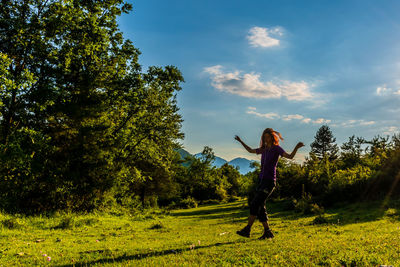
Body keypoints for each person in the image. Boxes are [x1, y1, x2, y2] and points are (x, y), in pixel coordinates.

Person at [234, 128, 304, 239]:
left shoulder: (277, 149)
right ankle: (267, 232)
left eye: (268, 137)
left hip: (270, 181)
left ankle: (247, 229)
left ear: (272, 137)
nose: (266, 139)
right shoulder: (264, 149)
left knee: (254, 204)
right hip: (261, 181)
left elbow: (290, 157)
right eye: (264, 137)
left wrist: (297, 147)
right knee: (260, 206)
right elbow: (250, 150)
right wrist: (240, 141)